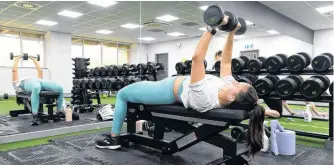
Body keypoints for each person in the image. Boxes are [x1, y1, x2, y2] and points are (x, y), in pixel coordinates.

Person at [95, 24, 266, 156]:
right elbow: (227, 62)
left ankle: (114, 137)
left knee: (123, 94)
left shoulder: (206, 97)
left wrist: (211, 29)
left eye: (237, 85)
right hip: (171, 84)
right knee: (129, 93)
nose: (235, 81)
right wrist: (231, 33)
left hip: (165, 91)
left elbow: (197, 59)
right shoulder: (226, 89)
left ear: (231, 96)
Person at [12, 56, 65, 126]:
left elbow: (40, 71)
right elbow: (14, 70)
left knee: (60, 88)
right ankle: (35, 115)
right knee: (36, 87)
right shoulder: (17, 83)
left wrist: (34, 60)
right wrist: (16, 59)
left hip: (38, 81)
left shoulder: (36, 80)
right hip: (27, 82)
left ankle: (59, 111)